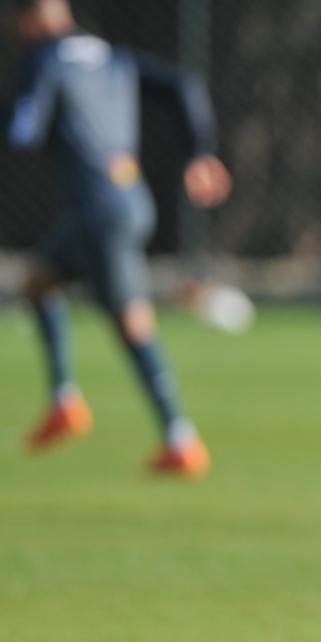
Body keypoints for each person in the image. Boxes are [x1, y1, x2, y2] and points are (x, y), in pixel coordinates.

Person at [1, 0, 232, 476]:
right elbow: (182, 84)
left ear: (39, 15)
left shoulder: (45, 61)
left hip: (95, 212)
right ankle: (65, 400)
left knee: (131, 322)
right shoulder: (112, 55)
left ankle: (180, 438)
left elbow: (24, 129)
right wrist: (201, 151)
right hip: (129, 199)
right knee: (37, 283)